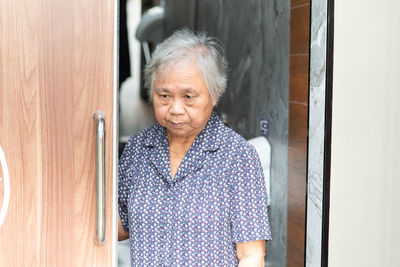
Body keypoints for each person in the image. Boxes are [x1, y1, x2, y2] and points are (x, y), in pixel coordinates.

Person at [118, 29, 271, 266]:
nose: (175, 108)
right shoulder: (138, 148)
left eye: (188, 97)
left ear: (214, 94)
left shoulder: (238, 157)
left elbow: (251, 255)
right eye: (164, 96)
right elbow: (118, 227)